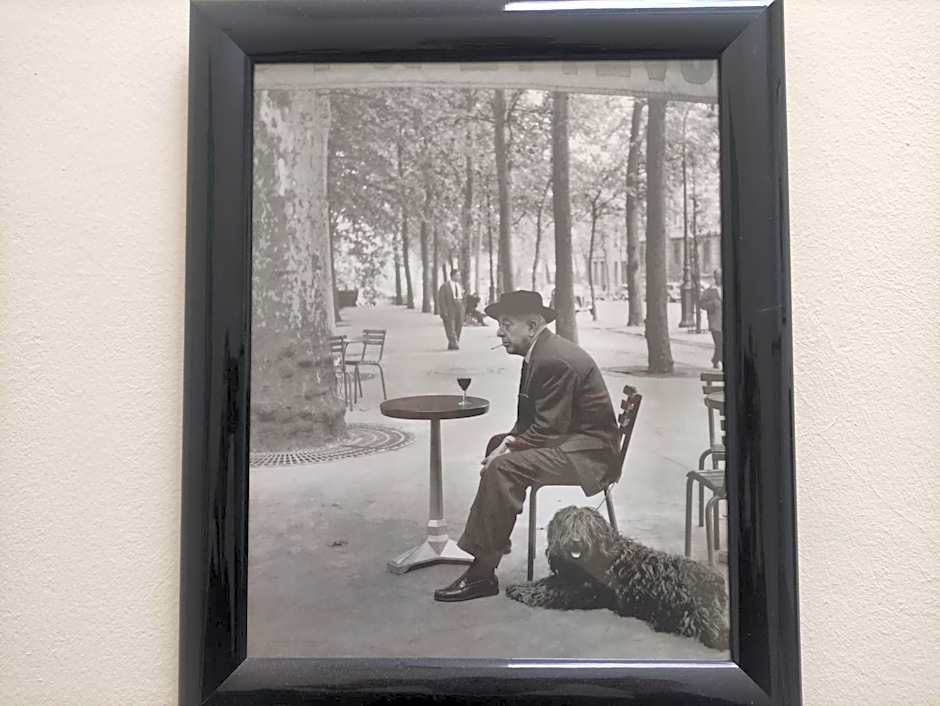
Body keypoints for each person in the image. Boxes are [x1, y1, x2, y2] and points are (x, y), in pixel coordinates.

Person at [434, 290, 621, 602]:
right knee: (497, 449)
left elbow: (548, 430)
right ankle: (492, 540)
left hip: (589, 456)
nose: (498, 332)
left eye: (507, 325)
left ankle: (482, 572)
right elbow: (531, 422)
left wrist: (506, 450)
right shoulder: (540, 353)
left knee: (504, 467)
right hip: (574, 443)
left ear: (533, 326)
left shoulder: (553, 360)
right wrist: (505, 443)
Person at [700, 269, 723, 369]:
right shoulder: (709, 291)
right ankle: (722, 362)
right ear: (715, 277)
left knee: (722, 344)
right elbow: (702, 303)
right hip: (715, 322)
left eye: (721, 276)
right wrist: (712, 304)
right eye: (718, 276)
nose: (719, 278)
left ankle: (715, 359)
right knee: (719, 343)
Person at [437, 268, 464, 350]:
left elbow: (462, 298)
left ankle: (452, 343)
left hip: (459, 307)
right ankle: (454, 342)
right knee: (450, 327)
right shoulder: (445, 286)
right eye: (457, 275)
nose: (459, 277)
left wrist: (463, 308)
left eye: (459, 275)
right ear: (453, 275)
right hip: (450, 308)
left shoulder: (459, 286)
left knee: (459, 325)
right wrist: (444, 311)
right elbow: (441, 300)